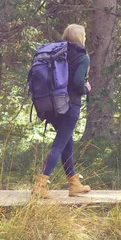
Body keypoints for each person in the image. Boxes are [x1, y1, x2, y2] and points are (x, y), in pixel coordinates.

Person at [32, 24, 92, 198]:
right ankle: (40, 184)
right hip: (69, 106)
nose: (86, 37)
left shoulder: (57, 53)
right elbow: (79, 82)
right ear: (80, 37)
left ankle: (74, 183)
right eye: (85, 35)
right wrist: (86, 89)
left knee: (67, 142)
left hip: (51, 105)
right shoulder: (82, 57)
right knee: (59, 144)